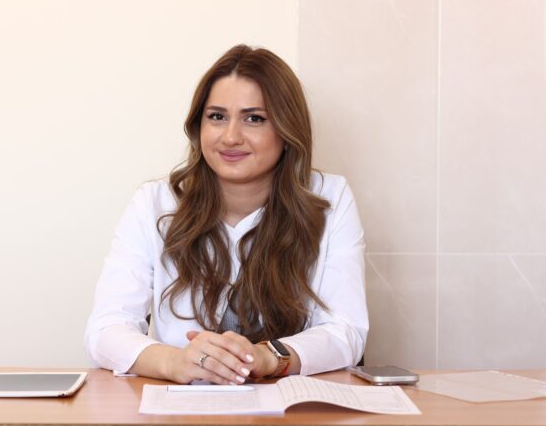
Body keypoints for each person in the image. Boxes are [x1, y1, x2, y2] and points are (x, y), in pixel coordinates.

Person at [85, 44, 368, 385]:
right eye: (217, 117)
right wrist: (175, 362)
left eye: (254, 118)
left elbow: (346, 331)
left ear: (286, 129)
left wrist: (268, 357)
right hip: (183, 404)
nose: (231, 137)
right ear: (198, 126)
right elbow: (105, 330)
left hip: (290, 405)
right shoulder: (154, 203)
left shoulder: (329, 198)